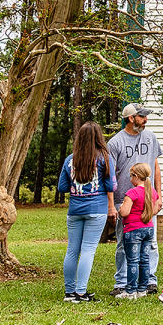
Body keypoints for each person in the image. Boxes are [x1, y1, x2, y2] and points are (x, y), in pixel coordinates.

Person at [57, 122, 117, 303]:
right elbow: (111, 185)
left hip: (75, 210)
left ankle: (69, 293)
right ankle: (81, 292)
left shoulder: (70, 159)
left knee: (72, 251)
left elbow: (62, 187)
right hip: (96, 209)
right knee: (88, 250)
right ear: (99, 137)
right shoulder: (104, 158)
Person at [108, 103, 163, 295]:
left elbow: (155, 168)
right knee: (124, 243)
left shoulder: (151, 137)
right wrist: (111, 205)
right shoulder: (115, 143)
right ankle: (122, 283)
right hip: (124, 201)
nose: (146, 119)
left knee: (151, 243)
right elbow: (110, 175)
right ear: (131, 118)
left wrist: (159, 195)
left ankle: (149, 281)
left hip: (148, 201)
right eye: (142, 116)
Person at [117, 163, 160, 300]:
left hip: (133, 230)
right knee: (144, 260)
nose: (130, 179)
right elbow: (154, 210)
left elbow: (124, 212)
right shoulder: (152, 192)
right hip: (148, 229)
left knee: (133, 261)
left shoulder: (132, 193)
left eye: (131, 176)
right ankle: (142, 289)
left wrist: (119, 209)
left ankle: (130, 291)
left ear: (136, 176)